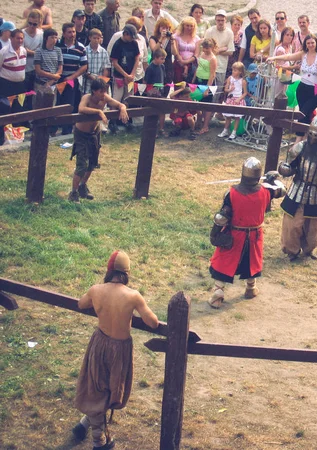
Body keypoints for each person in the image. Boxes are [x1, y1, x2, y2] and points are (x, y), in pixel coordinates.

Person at [71, 250, 158, 449]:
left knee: (97, 385)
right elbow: (152, 323)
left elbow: (81, 303)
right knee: (111, 388)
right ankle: (99, 441)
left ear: (109, 270)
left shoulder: (96, 290)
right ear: (127, 273)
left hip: (99, 342)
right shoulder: (133, 296)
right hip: (119, 349)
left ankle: (86, 422)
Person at [208, 157, 286, 308]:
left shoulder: (231, 193)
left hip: (235, 235)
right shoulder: (266, 191)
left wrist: (215, 233)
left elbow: (222, 217)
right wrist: (272, 180)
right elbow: (282, 190)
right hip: (255, 235)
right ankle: (251, 288)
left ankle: (218, 292)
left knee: (225, 261)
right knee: (251, 261)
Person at [278, 116, 317, 261]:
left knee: (313, 227)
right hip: (297, 190)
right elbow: (290, 166)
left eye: (316, 136)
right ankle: (291, 251)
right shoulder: (299, 147)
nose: (313, 138)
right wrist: (285, 169)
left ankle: (308, 249)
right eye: (311, 134)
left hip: (316, 193)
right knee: (292, 225)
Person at [68, 78, 128, 202]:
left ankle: (82, 186)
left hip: (94, 133)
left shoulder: (105, 98)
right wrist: (99, 112)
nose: (103, 94)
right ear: (94, 91)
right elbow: (81, 109)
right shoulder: (87, 98)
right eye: (101, 91)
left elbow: (119, 104)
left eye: (105, 91)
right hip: (81, 134)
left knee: (92, 163)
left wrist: (123, 108)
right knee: (81, 165)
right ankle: (73, 193)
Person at [267, 34, 317, 144]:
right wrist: (274, 58)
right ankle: (305, 139)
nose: (310, 45)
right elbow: (288, 57)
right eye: (308, 43)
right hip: (302, 87)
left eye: (312, 42)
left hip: (315, 90)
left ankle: (298, 139)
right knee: (304, 114)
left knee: (304, 112)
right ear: (305, 44)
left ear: (316, 43)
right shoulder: (303, 54)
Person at [56, 22, 88, 135]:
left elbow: (84, 65)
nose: (72, 34)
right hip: (58, 79)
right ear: (64, 34)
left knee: (69, 104)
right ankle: (53, 129)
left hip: (71, 79)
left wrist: (72, 77)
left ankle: (67, 130)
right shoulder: (57, 46)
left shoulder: (80, 47)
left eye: (73, 32)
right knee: (57, 104)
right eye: (69, 32)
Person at [108, 24, 139, 134]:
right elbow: (115, 62)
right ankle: (113, 121)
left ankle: (126, 120)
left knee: (128, 98)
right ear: (125, 34)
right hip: (119, 77)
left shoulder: (134, 43)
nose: (132, 39)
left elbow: (137, 58)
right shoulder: (118, 44)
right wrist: (125, 75)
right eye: (131, 36)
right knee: (116, 99)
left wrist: (132, 74)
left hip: (130, 76)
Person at [0, 29, 27, 146]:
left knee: (18, 112)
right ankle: (2, 139)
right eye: (18, 38)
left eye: (22, 38)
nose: (20, 41)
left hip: (20, 87)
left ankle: (16, 139)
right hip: (6, 86)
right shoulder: (3, 52)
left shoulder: (24, 51)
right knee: (5, 112)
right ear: (11, 38)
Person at [192, 38, 216, 136]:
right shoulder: (202, 54)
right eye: (204, 48)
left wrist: (207, 89)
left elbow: (212, 75)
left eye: (207, 48)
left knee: (207, 105)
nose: (205, 50)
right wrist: (194, 79)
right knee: (198, 102)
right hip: (199, 79)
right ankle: (198, 121)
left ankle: (205, 126)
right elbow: (199, 67)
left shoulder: (213, 58)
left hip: (207, 83)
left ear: (212, 47)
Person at [218, 61, 247, 141]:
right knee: (228, 116)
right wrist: (230, 89)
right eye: (233, 70)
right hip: (230, 99)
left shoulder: (243, 81)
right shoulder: (230, 78)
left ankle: (234, 132)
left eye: (235, 70)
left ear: (240, 72)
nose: (233, 72)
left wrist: (239, 98)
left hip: (238, 100)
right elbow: (225, 89)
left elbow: (245, 93)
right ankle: (225, 130)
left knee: (237, 117)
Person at [22, 9, 44, 109]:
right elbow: (22, 51)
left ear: (39, 22)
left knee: (34, 96)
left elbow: (42, 51)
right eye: (30, 23)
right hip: (24, 69)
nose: (31, 26)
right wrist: (35, 52)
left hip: (36, 69)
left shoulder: (41, 34)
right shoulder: (23, 34)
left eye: (34, 24)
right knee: (23, 96)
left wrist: (30, 51)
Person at [148, 17, 174, 96]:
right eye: (163, 27)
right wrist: (161, 39)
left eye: (167, 28)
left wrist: (172, 42)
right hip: (156, 66)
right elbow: (154, 50)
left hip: (167, 67)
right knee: (155, 89)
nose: (165, 30)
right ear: (158, 28)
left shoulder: (170, 39)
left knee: (165, 90)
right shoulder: (153, 38)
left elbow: (174, 53)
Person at [83, 28, 110, 94]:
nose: (96, 40)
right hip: (87, 82)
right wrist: (89, 75)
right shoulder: (84, 50)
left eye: (98, 38)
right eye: (94, 38)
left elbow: (106, 68)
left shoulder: (104, 52)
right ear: (90, 38)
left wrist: (102, 80)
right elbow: (82, 66)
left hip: (99, 82)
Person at [172, 17, 198, 83]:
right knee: (178, 85)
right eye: (187, 25)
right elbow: (176, 52)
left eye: (191, 26)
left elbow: (196, 54)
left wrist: (187, 62)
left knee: (189, 86)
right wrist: (182, 62)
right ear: (183, 26)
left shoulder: (196, 38)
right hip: (178, 63)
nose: (189, 28)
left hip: (191, 65)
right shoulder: (176, 36)